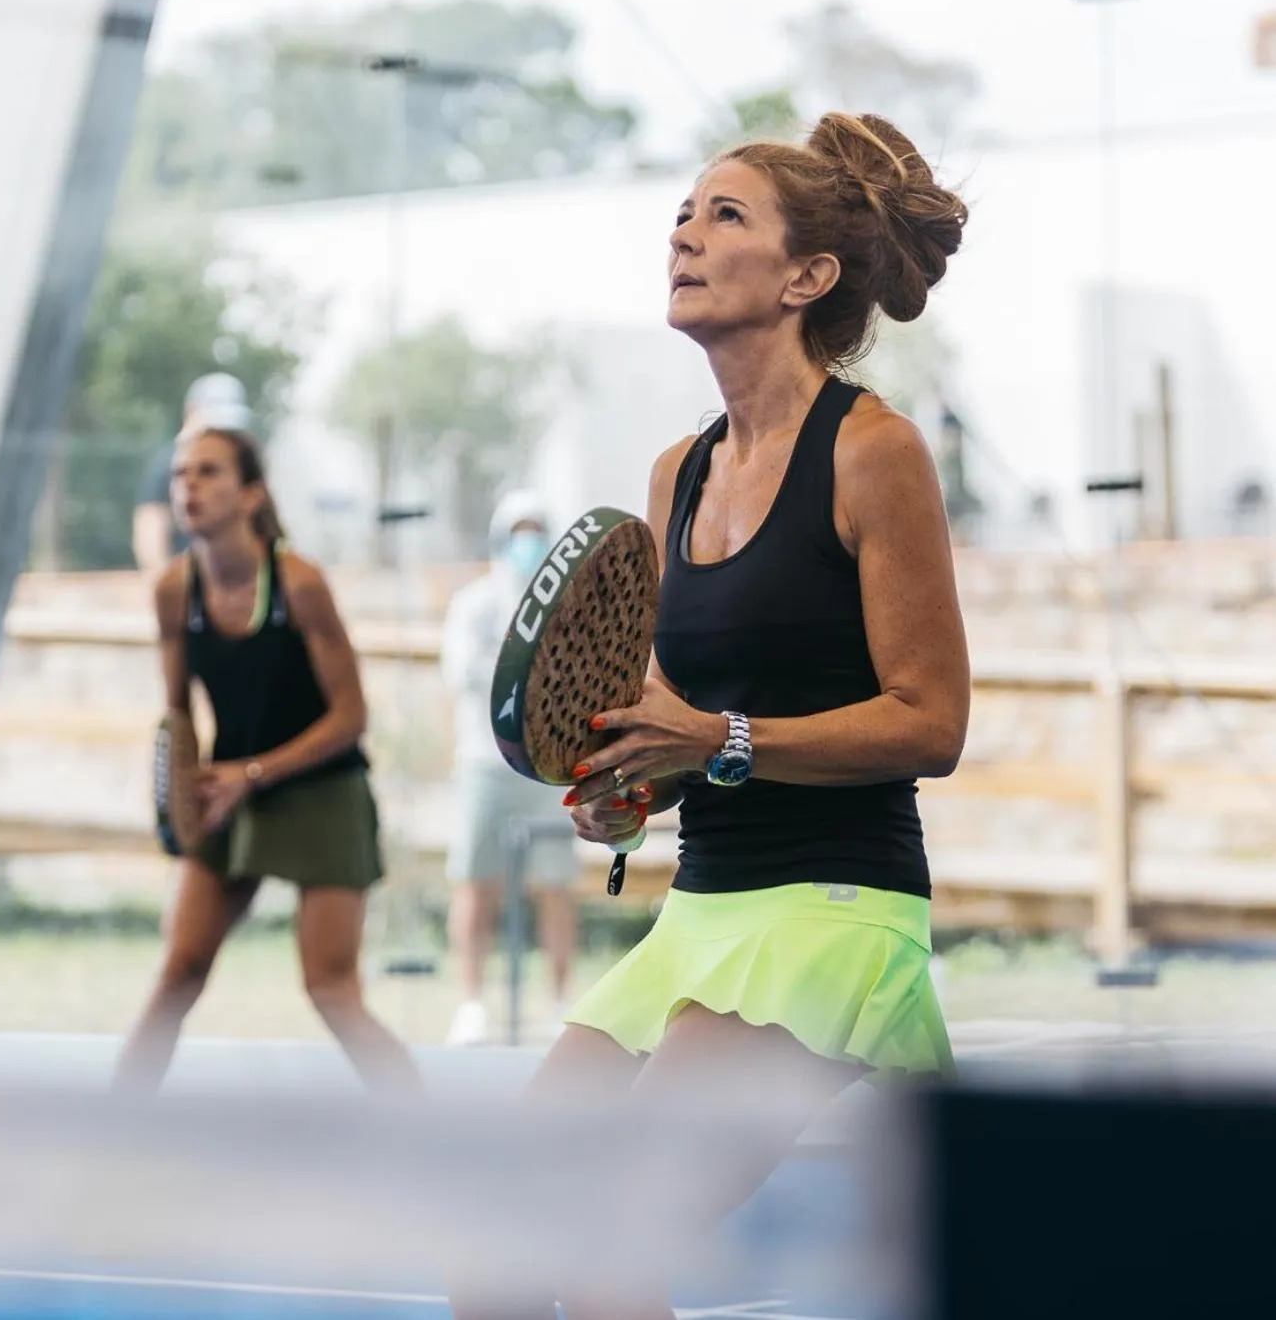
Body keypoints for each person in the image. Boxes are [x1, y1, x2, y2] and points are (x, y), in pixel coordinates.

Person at [450, 112, 971, 1318]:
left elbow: (929, 723)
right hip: (697, 917)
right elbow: (683, 726)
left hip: (835, 918)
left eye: (722, 215)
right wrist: (636, 782)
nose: (683, 234)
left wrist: (717, 742)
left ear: (807, 277)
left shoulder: (873, 453)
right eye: (680, 213)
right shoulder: (673, 473)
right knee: (494, 1257)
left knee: (610, 1253)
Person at [115, 425, 420, 1097]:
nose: (188, 486)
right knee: (178, 970)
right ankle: (108, 1133)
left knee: (331, 988)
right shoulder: (173, 589)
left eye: (209, 472)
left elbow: (352, 717)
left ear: (251, 493)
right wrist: (184, 794)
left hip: (322, 791)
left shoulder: (299, 582)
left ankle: (431, 1137)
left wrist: (252, 774)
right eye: (180, 473)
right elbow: (178, 715)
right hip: (228, 789)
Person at [440, 490, 580, 1047]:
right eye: (519, 531)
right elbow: (463, 674)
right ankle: (472, 1003)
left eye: (536, 530)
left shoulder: (567, 604)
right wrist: (523, 669)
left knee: (555, 885)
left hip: (546, 767)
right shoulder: (475, 603)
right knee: (477, 882)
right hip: (485, 763)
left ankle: (560, 1001)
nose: (528, 543)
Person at [132, 372, 253, 573]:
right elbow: (149, 531)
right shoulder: (169, 463)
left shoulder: (239, 463)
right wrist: (170, 588)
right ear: (191, 412)